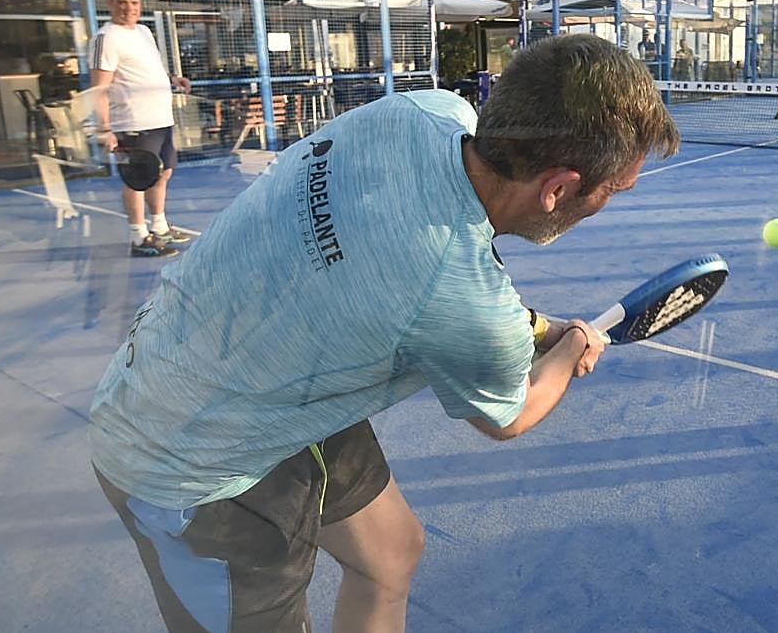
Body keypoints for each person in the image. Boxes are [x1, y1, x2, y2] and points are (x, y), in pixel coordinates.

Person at [88, 33, 680, 633]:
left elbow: (421, 285)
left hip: (271, 370)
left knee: (391, 554)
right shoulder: (463, 298)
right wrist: (573, 346)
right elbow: (510, 415)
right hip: (180, 457)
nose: (610, 200)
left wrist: (543, 330)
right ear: (557, 189)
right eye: (614, 189)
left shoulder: (422, 111)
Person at [90, 0, 193, 257]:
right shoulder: (105, 38)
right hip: (132, 124)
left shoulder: (144, 32)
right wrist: (104, 129)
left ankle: (159, 227)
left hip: (160, 119)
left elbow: (150, 67)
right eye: (122, 3)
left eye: (134, 3)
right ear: (109, 3)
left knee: (163, 172)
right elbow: (99, 88)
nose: (129, 8)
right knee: (136, 180)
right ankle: (139, 238)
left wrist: (173, 78)